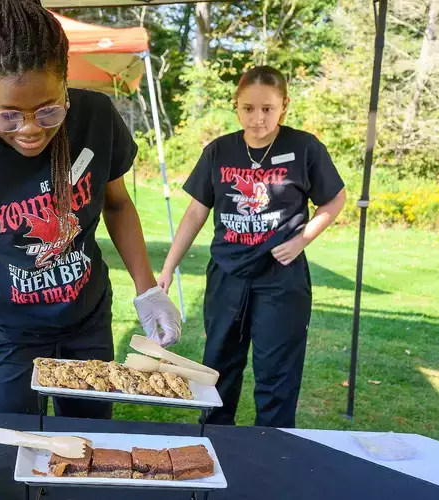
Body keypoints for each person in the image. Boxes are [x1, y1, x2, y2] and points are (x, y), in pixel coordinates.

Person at [0, 0, 181, 417]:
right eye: (9, 117)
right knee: (11, 442)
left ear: (66, 86)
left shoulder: (95, 119)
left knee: (89, 437)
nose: (31, 129)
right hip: (5, 334)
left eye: (49, 110)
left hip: (86, 320)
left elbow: (118, 204)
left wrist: (148, 290)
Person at [157, 66, 346, 428]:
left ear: (284, 106)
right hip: (228, 275)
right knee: (218, 368)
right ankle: (214, 441)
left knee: (277, 373)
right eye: (248, 108)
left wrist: (302, 240)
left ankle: (272, 450)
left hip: (281, 278)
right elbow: (196, 211)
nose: (258, 119)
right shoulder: (219, 151)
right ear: (236, 105)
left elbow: (335, 199)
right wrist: (168, 267)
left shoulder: (304, 147)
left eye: (267, 109)